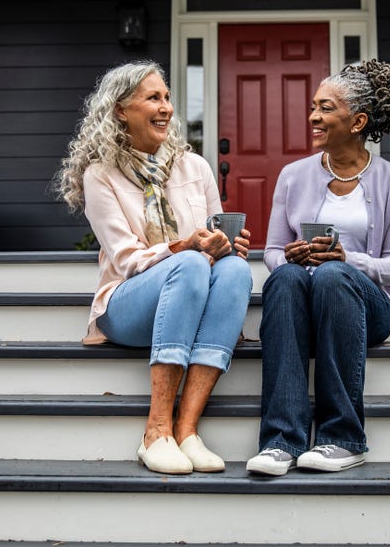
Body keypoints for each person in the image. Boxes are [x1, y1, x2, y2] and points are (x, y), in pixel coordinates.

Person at [58, 60, 253, 475]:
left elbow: (215, 238)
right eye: (152, 98)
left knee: (234, 271)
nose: (166, 107)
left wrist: (228, 245)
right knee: (189, 263)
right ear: (121, 111)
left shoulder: (195, 166)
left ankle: (186, 431)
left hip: (191, 292)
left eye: (167, 98)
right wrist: (186, 246)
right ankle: (155, 430)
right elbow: (127, 260)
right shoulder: (101, 175)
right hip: (129, 306)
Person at [246, 59, 390, 476]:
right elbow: (270, 251)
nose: (313, 117)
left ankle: (343, 437)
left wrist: (349, 260)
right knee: (286, 276)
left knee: (333, 275)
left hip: (365, 306)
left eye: (325, 108)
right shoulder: (293, 175)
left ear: (358, 120)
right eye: (314, 106)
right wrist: (290, 255)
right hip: (302, 298)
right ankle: (280, 442)